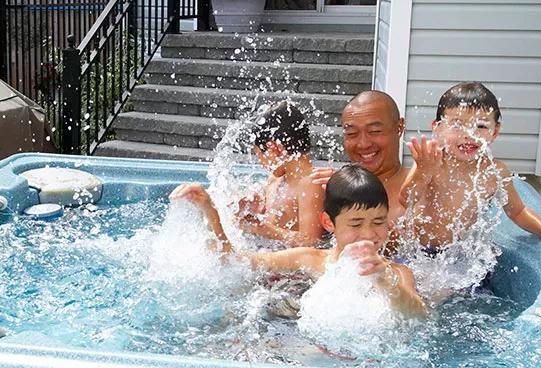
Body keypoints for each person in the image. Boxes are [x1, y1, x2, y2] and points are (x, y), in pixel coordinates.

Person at [170, 165, 426, 318]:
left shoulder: (397, 273)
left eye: (379, 222)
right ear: (328, 223)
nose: (369, 234)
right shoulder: (309, 259)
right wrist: (210, 212)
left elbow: (417, 314)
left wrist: (384, 281)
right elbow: (234, 261)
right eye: (356, 224)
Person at [399, 81, 541, 254]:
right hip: (418, 253)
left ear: (495, 131)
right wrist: (423, 172)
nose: (469, 135)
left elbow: (517, 211)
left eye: (481, 126)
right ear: (438, 127)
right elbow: (406, 200)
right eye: (457, 125)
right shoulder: (433, 163)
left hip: (457, 256)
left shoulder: (494, 171)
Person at [233, 100, 325, 247]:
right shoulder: (274, 181)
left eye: (260, 155)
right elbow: (268, 222)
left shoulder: (311, 185)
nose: (261, 163)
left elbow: (311, 243)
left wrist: (261, 228)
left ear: (274, 147)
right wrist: (250, 209)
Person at [311, 91, 409, 226]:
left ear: (399, 128)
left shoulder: (418, 189)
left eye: (374, 131)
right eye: (352, 134)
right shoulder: (329, 187)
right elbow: (307, 241)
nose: (363, 144)